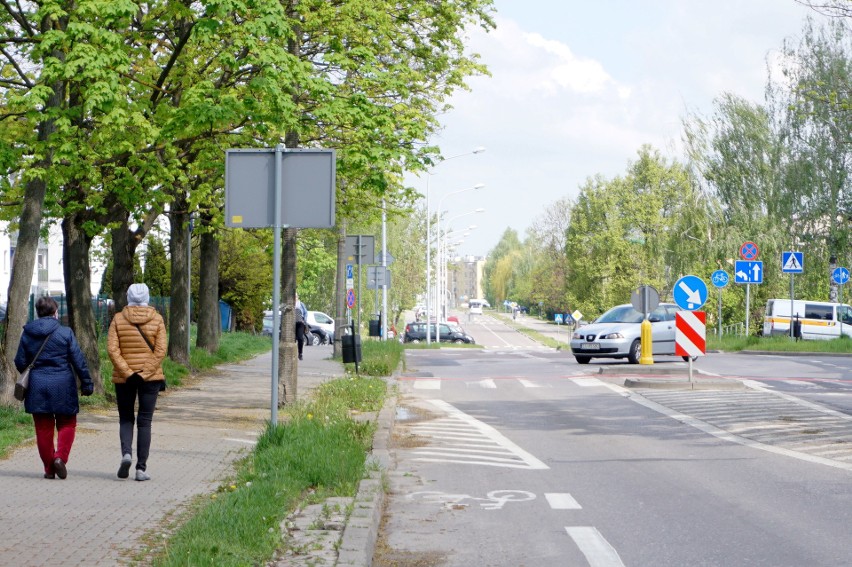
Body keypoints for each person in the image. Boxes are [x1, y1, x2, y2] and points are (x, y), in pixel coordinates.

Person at [14, 296, 94, 479]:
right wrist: (87, 383)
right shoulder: (65, 333)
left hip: (37, 386)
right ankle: (60, 458)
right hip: (63, 385)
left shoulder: (28, 333)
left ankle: (49, 469)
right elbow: (78, 360)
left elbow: (20, 361)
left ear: (38, 313)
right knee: (67, 423)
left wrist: (32, 373)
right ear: (55, 312)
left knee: (43, 428)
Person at [107, 283, 167, 481]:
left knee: (125, 417)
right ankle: (141, 469)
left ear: (128, 297)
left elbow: (113, 350)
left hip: (125, 379)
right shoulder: (157, 319)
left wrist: (128, 372)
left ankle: (126, 454)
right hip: (150, 379)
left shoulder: (117, 319)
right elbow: (160, 351)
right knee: (145, 421)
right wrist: (144, 372)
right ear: (147, 297)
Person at [295, 294, 308, 360]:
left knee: (300, 338)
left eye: (296, 296)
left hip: (300, 323)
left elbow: (305, 312)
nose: (295, 297)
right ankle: (292, 353)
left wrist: (304, 320)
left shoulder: (301, 304)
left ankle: (300, 353)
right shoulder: (290, 304)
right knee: (292, 339)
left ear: (298, 297)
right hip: (292, 324)